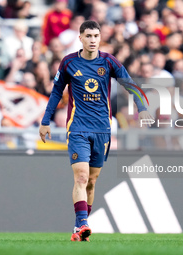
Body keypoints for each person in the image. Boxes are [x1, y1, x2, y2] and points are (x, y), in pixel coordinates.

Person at [38, 20, 152, 242]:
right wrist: (45, 121)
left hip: (102, 129)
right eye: (88, 36)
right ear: (80, 38)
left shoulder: (108, 62)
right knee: (81, 176)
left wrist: (143, 107)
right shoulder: (69, 63)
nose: (92, 40)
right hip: (78, 127)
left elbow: (130, 84)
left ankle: (78, 229)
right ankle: (82, 224)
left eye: (96, 36)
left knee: (91, 181)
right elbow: (55, 93)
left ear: (100, 38)